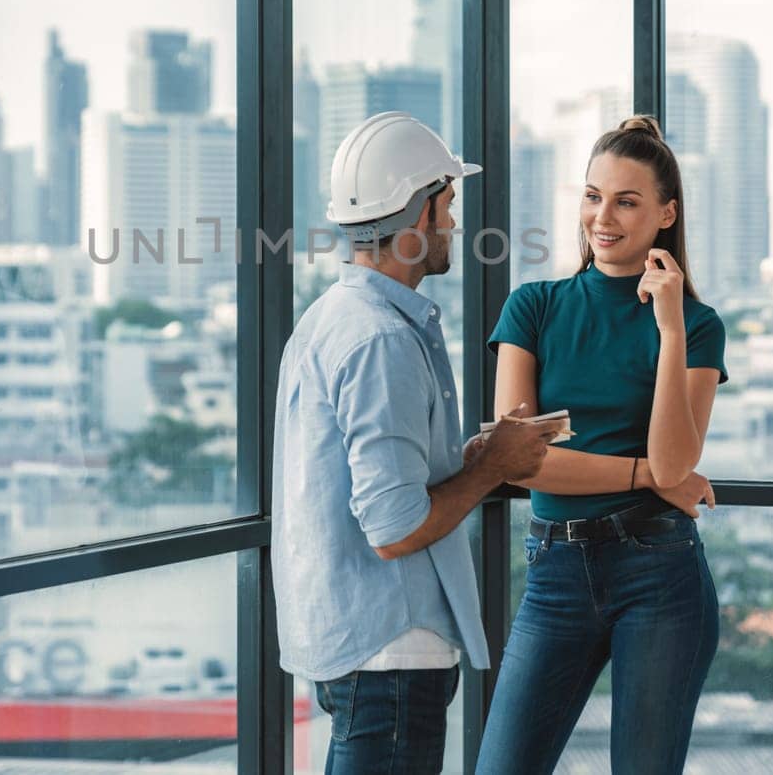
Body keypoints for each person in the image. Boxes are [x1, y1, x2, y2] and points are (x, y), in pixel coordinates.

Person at [272, 111, 565, 775]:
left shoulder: (330, 320)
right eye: (451, 205)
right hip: (392, 655)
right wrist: (492, 466)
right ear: (423, 210)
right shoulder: (382, 340)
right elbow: (395, 526)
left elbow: (359, 481)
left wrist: (456, 464)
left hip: (362, 648)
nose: (455, 224)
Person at [474, 115, 728, 775]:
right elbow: (520, 460)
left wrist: (669, 328)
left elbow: (680, 462)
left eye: (626, 199)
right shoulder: (534, 307)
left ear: (666, 213)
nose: (602, 215)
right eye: (592, 195)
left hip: (660, 576)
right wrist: (646, 474)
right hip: (554, 572)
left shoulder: (698, 327)